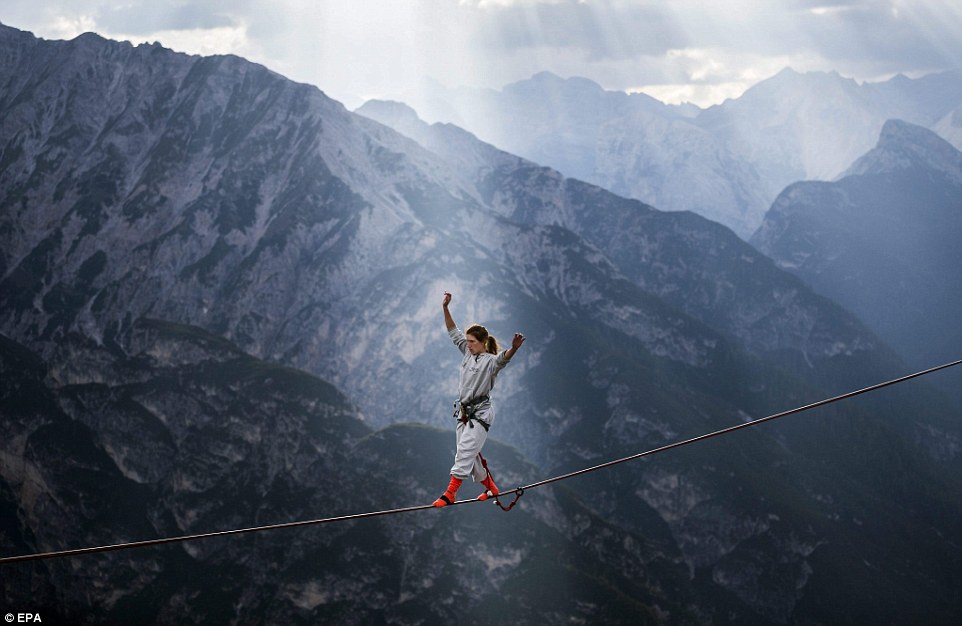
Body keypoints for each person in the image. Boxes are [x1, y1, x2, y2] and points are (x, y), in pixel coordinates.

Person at [433, 291, 525, 508]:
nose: (469, 344)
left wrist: (514, 348)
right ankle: (492, 489)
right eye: (468, 341)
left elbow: (504, 359)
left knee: (465, 451)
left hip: (481, 414)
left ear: (483, 342)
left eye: (472, 341)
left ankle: (450, 493)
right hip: (464, 413)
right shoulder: (467, 352)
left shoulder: (491, 362)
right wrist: (445, 308)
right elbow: (452, 331)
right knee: (471, 459)